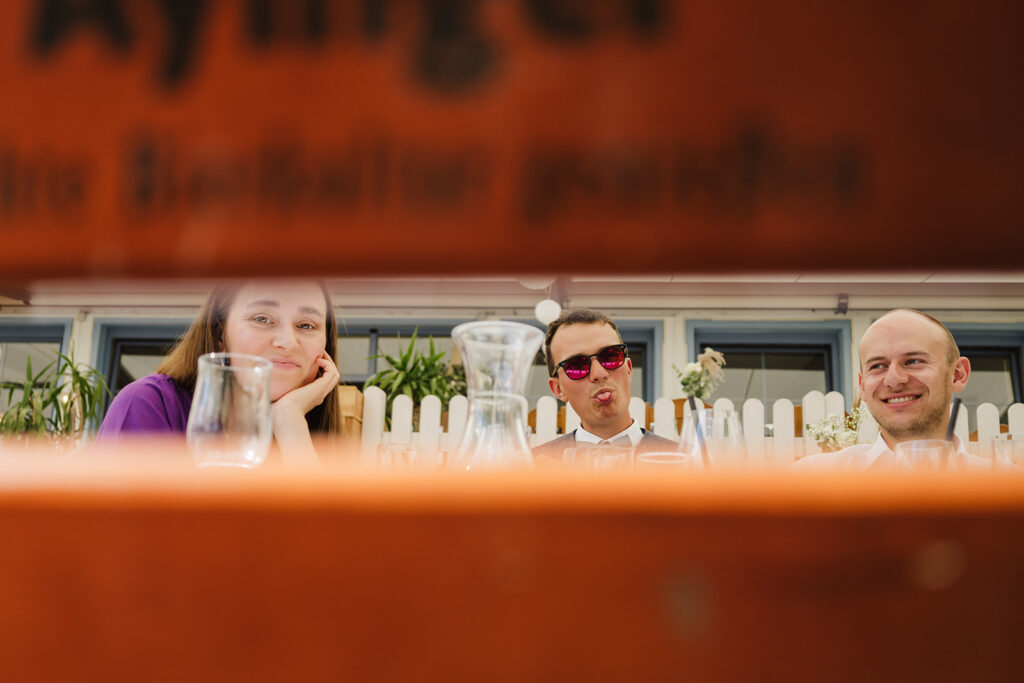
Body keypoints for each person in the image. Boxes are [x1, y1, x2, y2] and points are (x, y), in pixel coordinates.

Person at [96, 280, 342, 463]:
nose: (288, 342)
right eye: (262, 319)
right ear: (219, 334)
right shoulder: (148, 405)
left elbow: (326, 533)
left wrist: (289, 421)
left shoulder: (310, 439)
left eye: (307, 325)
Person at [792, 308, 986, 471]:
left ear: (958, 374)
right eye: (877, 366)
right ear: (863, 387)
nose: (894, 380)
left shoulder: (1008, 484)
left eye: (913, 361)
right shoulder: (813, 479)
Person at [533, 308, 676, 461]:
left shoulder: (689, 463)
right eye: (576, 366)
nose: (599, 374)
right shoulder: (530, 468)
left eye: (610, 356)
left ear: (628, 369)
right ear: (558, 389)